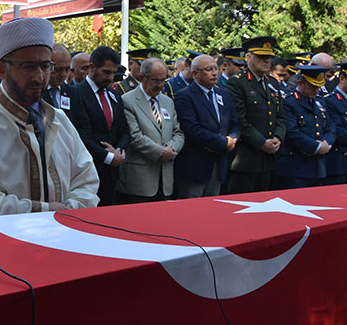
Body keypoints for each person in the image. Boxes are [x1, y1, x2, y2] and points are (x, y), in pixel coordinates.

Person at [0, 17, 99, 217]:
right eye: (28, 67)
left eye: (45, 66)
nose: (39, 77)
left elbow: (86, 180)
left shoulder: (60, 120)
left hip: (64, 238)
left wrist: (68, 213)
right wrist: (47, 212)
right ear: (1, 69)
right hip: (1, 244)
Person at [117, 58, 183, 202]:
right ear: (142, 78)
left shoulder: (168, 102)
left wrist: (171, 149)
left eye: (163, 80)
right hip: (139, 181)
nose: (160, 86)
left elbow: (178, 132)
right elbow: (134, 136)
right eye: (155, 81)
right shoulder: (127, 100)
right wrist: (160, 152)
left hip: (165, 179)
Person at [225, 36, 286, 194]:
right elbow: (239, 119)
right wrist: (262, 143)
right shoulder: (237, 82)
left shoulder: (272, 83)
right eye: (261, 57)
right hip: (246, 160)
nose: (266, 61)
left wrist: (278, 138)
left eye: (269, 57)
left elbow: (281, 116)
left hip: (269, 159)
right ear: (249, 57)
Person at [173, 54, 240, 198]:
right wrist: (223, 142)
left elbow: (235, 122)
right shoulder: (184, 96)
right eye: (209, 69)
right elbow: (192, 130)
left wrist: (233, 138)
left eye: (216, 68)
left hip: (218, 164)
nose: (215, 73)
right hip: (195, 166)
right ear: (195, 73)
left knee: (211, 210)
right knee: (191, 211)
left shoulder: (224, 94)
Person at [73, 45, 130, 206]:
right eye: (106, 72)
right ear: (91, 67)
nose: (111, 78)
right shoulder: (76, 94)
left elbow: (124, 130)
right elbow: (80, 135)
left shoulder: (115, 95)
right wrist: (108, 157)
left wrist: (119, 152)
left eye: (113, 73)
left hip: (113, 172)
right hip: (88, 170)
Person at [276, 66, 335, 188]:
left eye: (318, 86)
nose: (316, 90)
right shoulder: (289, 102)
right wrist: (316, 147)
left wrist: (326, 143)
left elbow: (330, 127)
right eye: (312, 86)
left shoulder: (319, 102)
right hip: (296, 167)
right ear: (300, 83)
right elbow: (291, 132)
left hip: (318, 167)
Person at [43, 43, 76, 116]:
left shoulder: (73, 93)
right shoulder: (36, 92)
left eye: (67, 69)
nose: (63, 74)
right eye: (58, 69)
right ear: (47, 66)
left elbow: (83, 124)